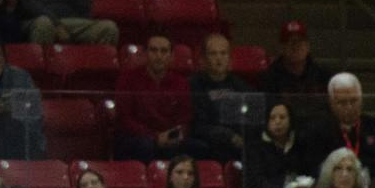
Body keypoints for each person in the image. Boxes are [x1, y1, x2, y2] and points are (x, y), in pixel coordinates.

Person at [301, 73, 375, 179]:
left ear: (361, 99)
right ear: (331, 103)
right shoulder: (316, 131)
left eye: (354, 101)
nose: (349, 107)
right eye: (342, 102)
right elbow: (313, 170)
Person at [113, 34, 192, 164]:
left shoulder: (181, 83)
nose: (159, 56)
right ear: (145, 54)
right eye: (154, 50)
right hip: (135, 138)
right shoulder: (127, 79)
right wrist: (155, 137)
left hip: (168, 137)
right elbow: (124, 118)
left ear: (171, 55)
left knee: (196, 147)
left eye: (164, 51)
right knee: (146, 145)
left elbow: (185, 119)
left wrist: (171, 136)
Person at [243, 101, 312, 188]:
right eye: (273, 118)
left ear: (290, 120)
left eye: (282, 117)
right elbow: (256, 182)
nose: (278, 122)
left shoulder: (300, 143)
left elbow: (307, 173)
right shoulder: (255, 147)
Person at [189, 34, 253, 163]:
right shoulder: (194, 85)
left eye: (223, 53)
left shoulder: (241, 86)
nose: (219, 58)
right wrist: (229, 136)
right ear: (204, 58)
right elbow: (198, 125)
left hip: (239, 142)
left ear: (229, 58)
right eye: (213, 54)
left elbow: (252, 116)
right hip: (210, 142)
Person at [262, 21, 332, 119]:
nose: (295, 46)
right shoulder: (270, 77)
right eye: (290, 42)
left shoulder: (323, 74)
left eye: (300, 41)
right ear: (281, 48)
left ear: (308, 46)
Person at [17, 0, 115, 46]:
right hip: (37, 20)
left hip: (72, 21)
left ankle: (95, 73)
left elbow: (85, 4)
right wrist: (56, 24)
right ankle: (40, 74)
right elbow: (28, 4)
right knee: (44, 24)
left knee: (108, 28)